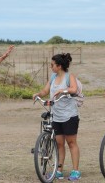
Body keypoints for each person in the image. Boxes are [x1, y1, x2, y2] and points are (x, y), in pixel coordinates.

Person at [33, 53, 81, 181]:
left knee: (71, 143)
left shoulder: (69, 76)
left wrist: (63, 91)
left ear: (59, 66)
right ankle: (59, 170)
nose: (51, 67)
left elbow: (74, 89)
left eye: (52, 65)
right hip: (56, 116)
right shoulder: (53, 77)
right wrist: (38, 94)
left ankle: (76, 171)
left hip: (70, 115)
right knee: (59, 144)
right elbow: (45, 91)